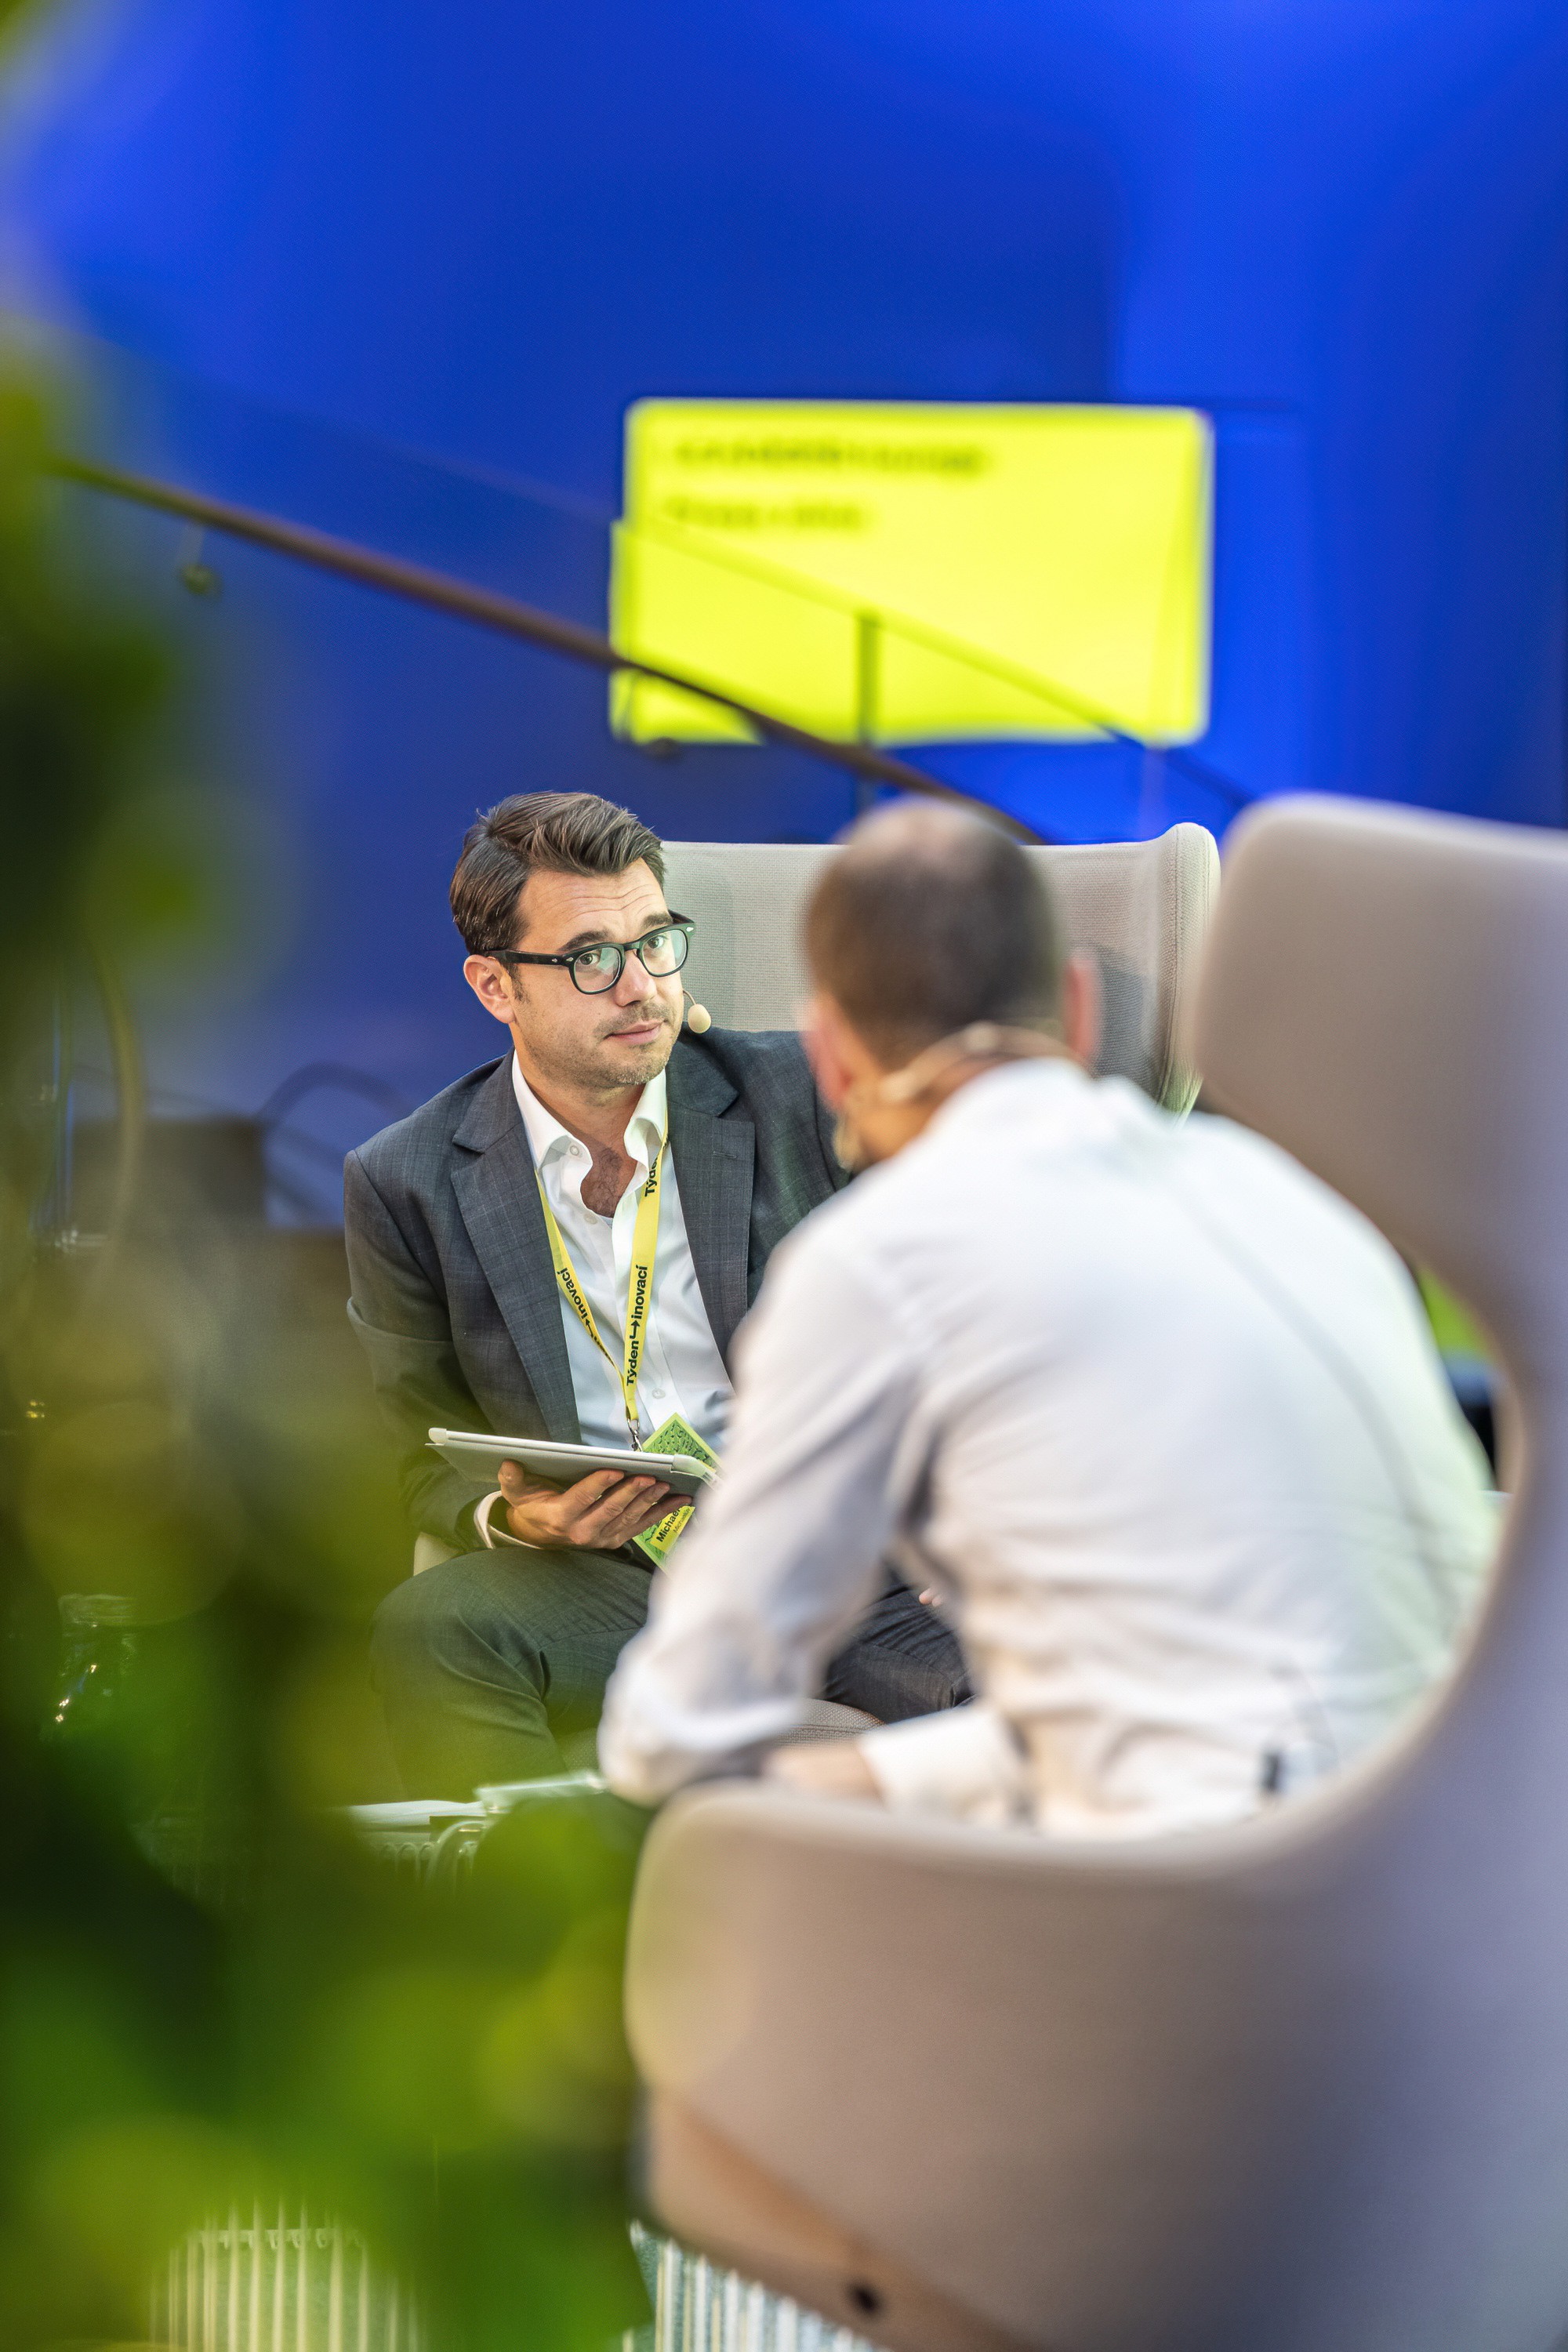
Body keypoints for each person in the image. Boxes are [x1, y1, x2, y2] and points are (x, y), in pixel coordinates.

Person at [598, 801, 1498, 1835]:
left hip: (1228, 1933)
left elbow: (672, 1732)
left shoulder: (874, 1261)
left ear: (832, 1056)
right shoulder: (1289, 1198)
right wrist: (870, 1783)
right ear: (1077, 1010)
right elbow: (1225, 1718)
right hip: (1486, 1872)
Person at [348, 791, 967, 1796]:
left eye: (657, 941)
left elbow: (967, 1304)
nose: (640, 986)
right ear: (495, 987)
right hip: (612, 1582)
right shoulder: (407, 1179)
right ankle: (533, 1941)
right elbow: (407, 1443)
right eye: (592, 958)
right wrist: (517, 1524)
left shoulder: (806, 1099)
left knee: (1035, 1679)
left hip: (847, 1565)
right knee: (435, 1626)